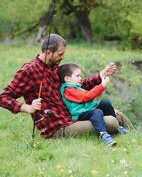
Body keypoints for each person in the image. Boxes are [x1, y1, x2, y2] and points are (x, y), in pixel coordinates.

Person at [0, 33, 132, 139]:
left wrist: (101, 75)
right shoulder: (28, 71)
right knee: (111, 122)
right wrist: (27, 107)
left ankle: (135, 138)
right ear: (48, 52)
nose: (62, 57)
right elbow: (4, 97)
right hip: (56, 127)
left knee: (117, 114)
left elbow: (77, 86)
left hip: (71, 117)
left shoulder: (54, 68)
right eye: (60, 54)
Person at [58, 63, 128, 146]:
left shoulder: (76, 87)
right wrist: (102, 85)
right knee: (97, 112)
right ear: (67, 78)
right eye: (77, 76)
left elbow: (89, 101)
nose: (80, 78)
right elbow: (87, 97)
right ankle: (103, 134)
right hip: (80, 114)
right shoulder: (68, 90)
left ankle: (118, 127)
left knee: (105, 103)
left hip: (88, 110)